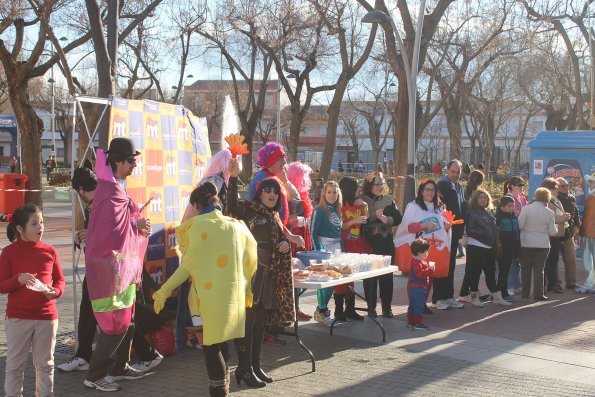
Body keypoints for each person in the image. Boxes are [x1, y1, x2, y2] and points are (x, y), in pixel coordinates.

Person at [153, 181, 258, 397]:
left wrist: (163, 291)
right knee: (221, 344)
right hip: (234, 299)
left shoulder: (198, 228)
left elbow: (187, 268)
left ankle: (219, 392)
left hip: (205, 304)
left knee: (211, 348)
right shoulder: (237, 226)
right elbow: (252, 258)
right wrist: (246, 290)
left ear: (195, 205)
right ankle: (224, 385)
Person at [83, 138, 151, 392]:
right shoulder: (109, 191)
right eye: (131, 161)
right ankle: (95, 374)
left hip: (122, 266)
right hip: (109, 268)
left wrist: (136, 225)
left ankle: (119, 366)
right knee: (114, 321)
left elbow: (121, 225)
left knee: (127, 316)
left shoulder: (115, 187)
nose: (134, 165)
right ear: (119, 161)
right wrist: (136, 226)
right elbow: (110, 232)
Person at [227, 158, 298, 387]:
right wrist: (233, 176)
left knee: (260, 324)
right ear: (259, 193)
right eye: (267, 190)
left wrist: (285, 245)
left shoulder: (275, 216)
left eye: (275, 191)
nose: (272, 194)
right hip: (251, 276)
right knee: (248, 324)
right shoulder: (249, 209)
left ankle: (255, 366)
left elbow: (277, 242)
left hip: (268, 277)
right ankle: (244, 369)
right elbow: (231, 207)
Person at [0, 204, 65, 397]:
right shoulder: (9, 252)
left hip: (47, 317)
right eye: (34, 223)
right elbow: (1, 285)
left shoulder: (50, 251)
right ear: (20, 228)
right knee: (15, 365)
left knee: (46, 365)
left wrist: (55, 292)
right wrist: (17, 279)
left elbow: (60, 280)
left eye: (42, 222)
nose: (40, 227)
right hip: (18, 318)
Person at [58, 166, 98, 373]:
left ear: (81, 190)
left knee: (97, 312)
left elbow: (114, 236)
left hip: (105, 269)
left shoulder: (101, 204)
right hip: (103, 268)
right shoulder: (100, 203)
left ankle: (87, 358)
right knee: (91, 311)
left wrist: (89, 238)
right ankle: (85, 355)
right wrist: (83, 238)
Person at [394, 179, 451, 314]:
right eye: (427, 189)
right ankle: (414, 305)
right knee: (415, 277)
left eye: (433, 190)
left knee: (428, 276)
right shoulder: (413, 206)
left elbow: (443, 227)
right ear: (421, 191)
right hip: (418, 249)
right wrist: (423, 226)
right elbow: (407, 227)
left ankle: (423, 303)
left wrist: (447, 227)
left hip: (434, 248)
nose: (430, 192)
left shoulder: (440, 207)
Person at [361, 171, 402, 318]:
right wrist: (373, 216)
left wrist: (386, 219)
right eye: (376, 184)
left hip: (386, 243)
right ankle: (371, 308)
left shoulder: (389, 200)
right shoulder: (362, 200)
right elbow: (359, 220)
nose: (379, 187)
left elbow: (398, 218)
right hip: (369, 243)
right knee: (369, 277)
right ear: (370, 185)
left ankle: (387, 308)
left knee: (386, 276)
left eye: (381, 184)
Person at [464, 189, 511, 307]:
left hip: (489, 247)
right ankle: (474, 297)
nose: (483, 200)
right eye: (480, 197)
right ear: (475, 199)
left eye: (485, 197)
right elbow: (470, 230)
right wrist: (486, 235)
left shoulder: (488, 212)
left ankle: (496, 297)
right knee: (474, 273)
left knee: (490, 272)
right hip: (476, 246)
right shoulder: (471, 212)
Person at [336, 176, 370, 321]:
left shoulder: (358, 204)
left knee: (351, 279)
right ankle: (338, 311)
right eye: (357, 187)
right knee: (341, 279)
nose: (359, 189)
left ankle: (350, 309)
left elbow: (366, 218)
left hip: (357, 244)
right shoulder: (339, 206)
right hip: (344, 245)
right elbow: (341, 226)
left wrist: (365, 206)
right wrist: (353, 221)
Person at [310, 180, 344, 326]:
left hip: (336, 250)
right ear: (324, 193)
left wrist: (342, 252)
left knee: (332, 282)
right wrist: (318, 253)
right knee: (324, 282)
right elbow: (313, 233)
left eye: (335, 192)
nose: (332, 195)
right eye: (329, 192)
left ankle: (322, 311)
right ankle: (321, 312)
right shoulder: (319, 210)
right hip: (324, 250)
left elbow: (339, 233)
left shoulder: (337, 210)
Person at [434, 160, 466, 310]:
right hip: (444, 231)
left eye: (458, 172)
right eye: (453, 172)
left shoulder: (459, 186)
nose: (455, 175)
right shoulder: (442, 185)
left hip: (455, 232)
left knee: (451, 265)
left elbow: (462, 206)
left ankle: (448, 296)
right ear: (447, 171)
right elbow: (439, 207)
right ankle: (439, 298)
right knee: (442, 263)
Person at [518, 187, 558, 300]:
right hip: (543, 244)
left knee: (525, 269)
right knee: (539, 270)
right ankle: (539, 294)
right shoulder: (549, 213)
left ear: (535, 196)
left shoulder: (526, 209)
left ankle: (525, 293)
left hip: (526, 243)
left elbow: (520, 226)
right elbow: (552, 232)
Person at [286, 162, 314, 321]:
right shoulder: (289, 194)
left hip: (301, 234)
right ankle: (292, 308)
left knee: (298, 273)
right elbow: (286, 218)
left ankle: (296, 307)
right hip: (293, 236)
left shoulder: (301, 194)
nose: (307, 179)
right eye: (304, 176)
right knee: (292, 274)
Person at [456, 170, 485, 298]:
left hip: (467, 231)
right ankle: (466, 291)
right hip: (471, 232)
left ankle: (472, 289)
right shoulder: (473, 193)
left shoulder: (465, 191)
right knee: (473, 265)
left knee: (473, 264)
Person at [541, 178, 571, 294]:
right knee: (549, 261)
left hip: (558, 234)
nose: (558, 190)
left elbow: (558, 214)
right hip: (550, 234)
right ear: (549, 189)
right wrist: (563, 218)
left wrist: (565, 216)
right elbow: (549, 218)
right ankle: (548, 284)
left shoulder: (556, 200)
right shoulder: (546, 201)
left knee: (553, 261)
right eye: (556, 188)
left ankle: (552, 284)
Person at [504, 176, 528, 296]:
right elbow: (513, 214)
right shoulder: (508, 198)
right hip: (510, 232)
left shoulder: (521, 197)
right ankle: (508, 286)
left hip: (520, 232)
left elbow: (525, 210)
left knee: (517, 259)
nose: (521, 188)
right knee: (510, 260)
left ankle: (516, 284)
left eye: (522, 185)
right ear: (512, 186)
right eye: (519, 185)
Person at [556, 177, 581, 290]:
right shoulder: (553, 198)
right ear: (557, 187)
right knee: (554, 260)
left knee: (571, 259)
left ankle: (571, 282)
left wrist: (576, 226)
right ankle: (555, 283)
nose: (566, 187)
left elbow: (575, 213)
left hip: (569, 233)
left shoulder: (571, 198)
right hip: (555, 233)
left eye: (567, 185)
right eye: (563, 186)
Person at [495, 196, 520, 302]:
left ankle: (501, 292)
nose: (512, 208)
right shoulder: (498, 218)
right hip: (502, 249)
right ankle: (501, 292)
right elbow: (497, 236)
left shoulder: (514, 218)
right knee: (502, 272)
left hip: (511, 249)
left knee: (505, 271)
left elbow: (517, 235)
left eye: (513, 206)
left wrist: (518, 250)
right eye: (509, 206)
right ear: (502, 207)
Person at [407, 238, 434, 330]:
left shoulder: (416, 261)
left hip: (413, 287)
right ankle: (417, 323)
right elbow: (420, 274)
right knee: (419, 305)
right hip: (418, 287)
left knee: (413, 305)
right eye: (426, 252)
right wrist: (430, 271)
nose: (427, 254)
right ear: (419, 252)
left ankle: (411, 321)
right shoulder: (417, 263)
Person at [576, 173, 595, 293]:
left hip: (591, 233)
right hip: (588, 233)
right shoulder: (590, 197)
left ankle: (590, 285)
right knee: (588, 261)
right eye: (590, 181)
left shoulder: (591, 198)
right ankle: (590, 284)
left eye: (592, 181)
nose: (591, 184)